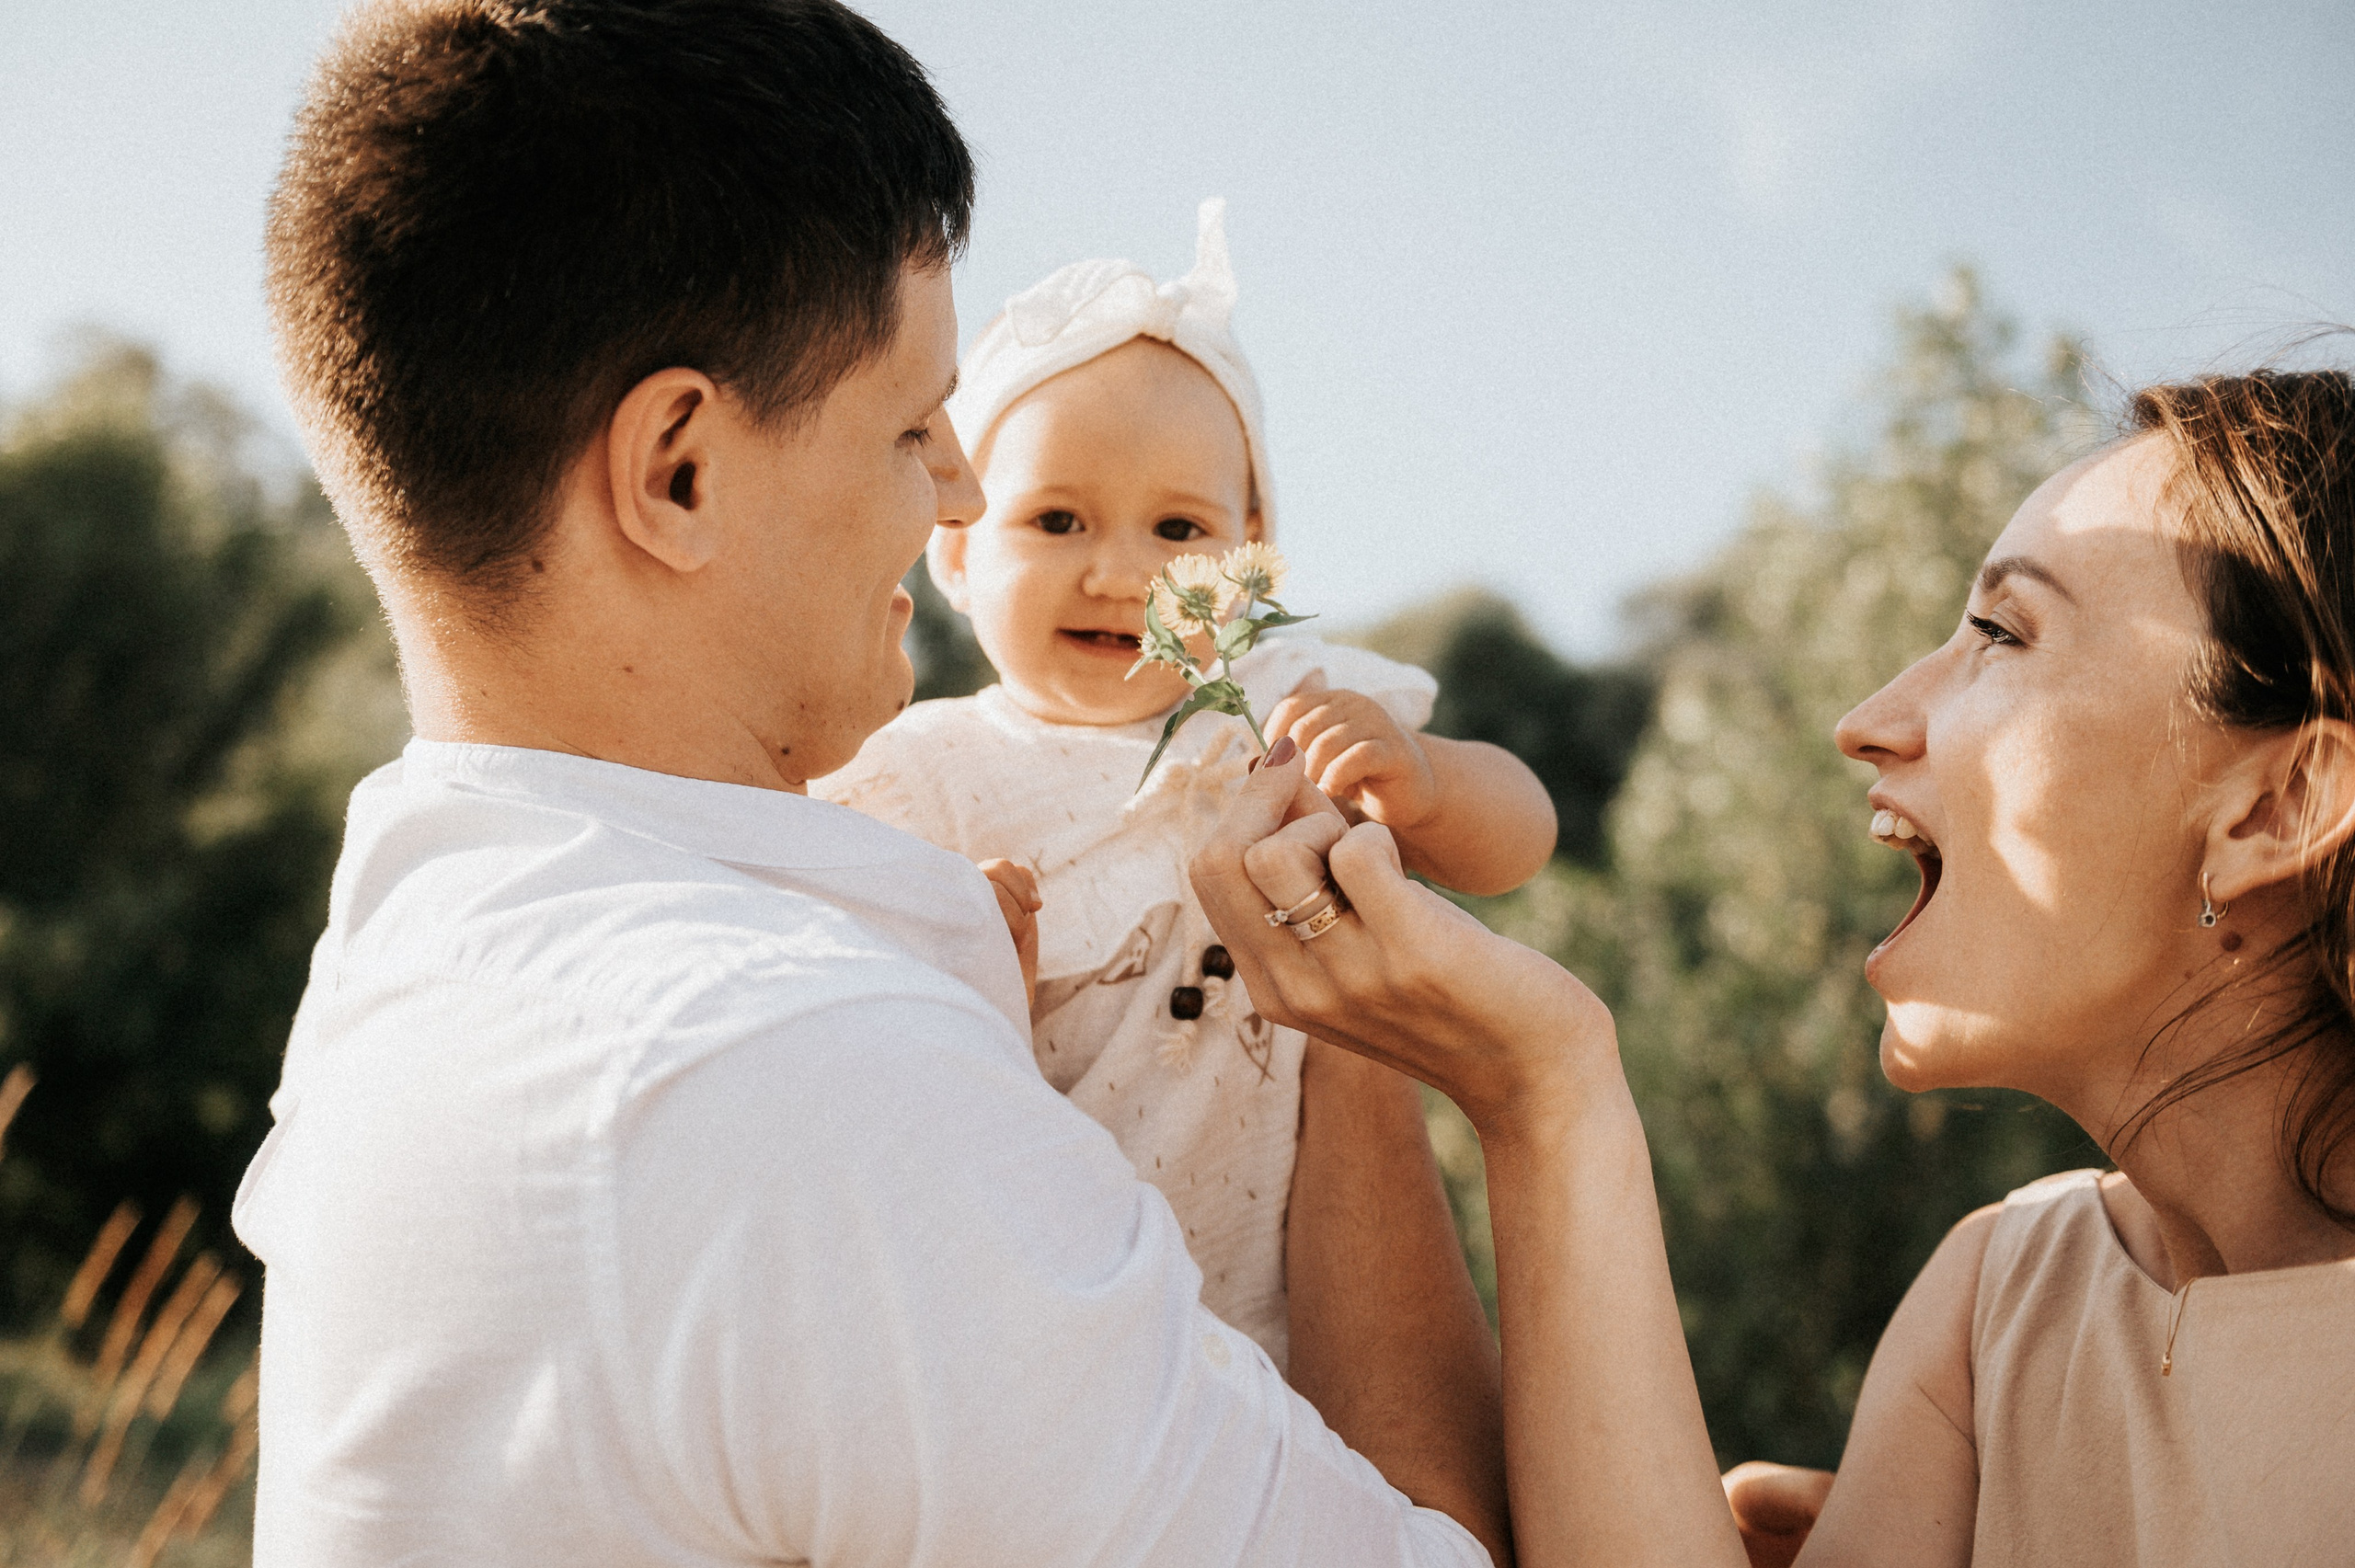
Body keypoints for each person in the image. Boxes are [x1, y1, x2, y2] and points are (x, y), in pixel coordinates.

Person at [233, 1, 1510, 1562]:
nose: (960, 487)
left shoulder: (408, 973)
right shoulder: (802, 1072)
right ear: (677, 472)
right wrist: (1380, 1059)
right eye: (917, 424)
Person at [1192, 363, 2355, 1566]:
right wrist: (1543, 1092)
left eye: (2002, 634)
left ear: (2280, 806)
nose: (1868, 717)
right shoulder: (2002, 1290)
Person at [817, 200, 1556, 1368]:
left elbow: (1519, 837)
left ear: (1253, 552)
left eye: (1179, 527)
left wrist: (1421, 781)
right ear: (957, 549)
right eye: (1057, 520)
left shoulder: (1285, 702)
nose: (1119, 573)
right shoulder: (923, 771)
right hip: (1047, 1309)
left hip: (1292, 1316)